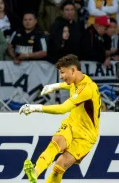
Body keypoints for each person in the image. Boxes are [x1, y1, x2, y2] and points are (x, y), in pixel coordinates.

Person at [19, 54, 101, 183]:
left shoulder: (86, 89)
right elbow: (68, 85)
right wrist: (54, 86)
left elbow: (63, 108)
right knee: (55, 143)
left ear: (73, 70)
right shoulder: (79, 80)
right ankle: (35, 172)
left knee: (59, 166)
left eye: (63, 73)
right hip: (71, 125)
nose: (61, 76)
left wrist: (36, 108)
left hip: (86, 136)